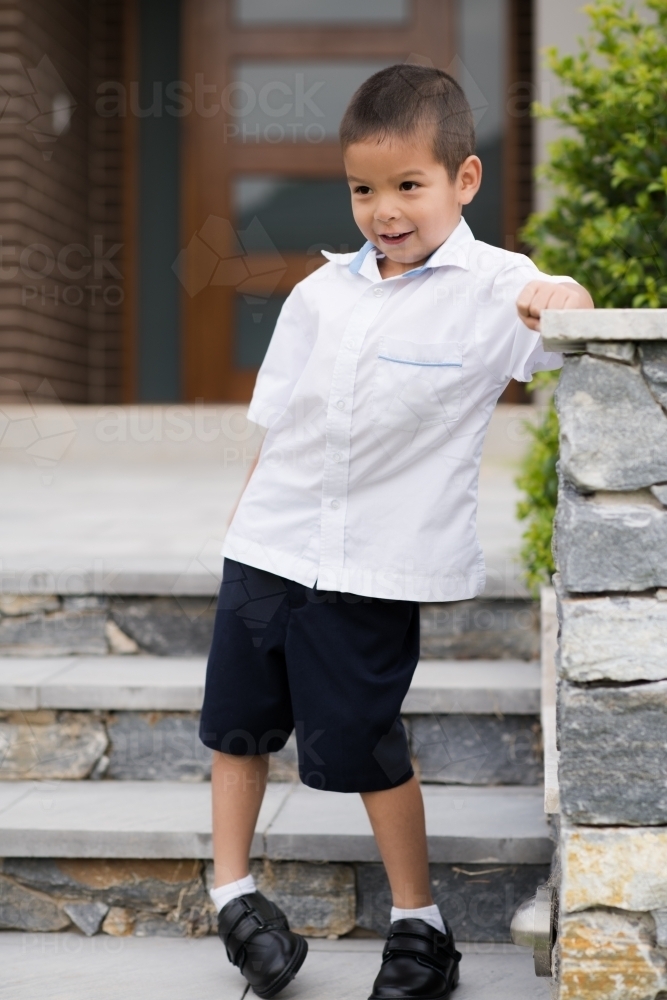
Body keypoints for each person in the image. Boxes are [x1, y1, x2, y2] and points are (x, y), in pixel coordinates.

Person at [199, 64, 593, 1000]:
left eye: (407, 186)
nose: (384, 209)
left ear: (463, 179)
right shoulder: (319, 296)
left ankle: (421, 925)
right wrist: (240, 533)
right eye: (363, 189)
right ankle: (232, 896)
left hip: (372, 569)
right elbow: (278, 430)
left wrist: (567, 293)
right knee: (236, 729)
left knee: (367, 744)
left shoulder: (498, 287)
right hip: (268, 547)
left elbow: (559, 320)